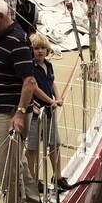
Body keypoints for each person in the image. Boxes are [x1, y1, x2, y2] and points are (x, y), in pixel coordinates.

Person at [0, 0, 43, 203]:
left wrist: (19, 113)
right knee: (18, 164)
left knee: (6, 167)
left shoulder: (16, 40)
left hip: (9, 113)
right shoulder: (4, 36)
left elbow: (29, 81)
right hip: (4, 109)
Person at [26, 31, 62, 191]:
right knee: (32, 148)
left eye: (42, 48)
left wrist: (58, 97)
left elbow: (52, 83)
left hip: (49, 111)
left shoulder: (48, 65)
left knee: (54, 143)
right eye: (36, 48)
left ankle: (58, 176)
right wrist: (51, 101)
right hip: (36, 112)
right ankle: (33, 181)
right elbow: (33, 88)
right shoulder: (30, 68)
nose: (40, 51)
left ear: (47, 50)